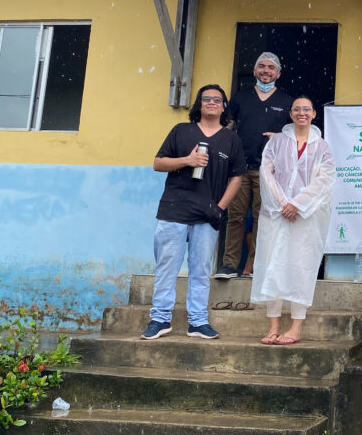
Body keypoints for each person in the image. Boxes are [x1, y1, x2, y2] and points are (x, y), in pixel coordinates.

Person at [142, 84, 245, 340]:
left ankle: (197, 321)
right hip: (174, 209)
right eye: (206, 98)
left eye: (217, 99)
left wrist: (220, 208)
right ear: (199, 103)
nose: (212, 102)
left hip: (208, 214)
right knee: (167, 267)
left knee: (200, 270)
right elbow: (158, 163)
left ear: (224, 107)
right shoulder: (181, 131)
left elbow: (237, 177)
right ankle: (160, 319)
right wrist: (187, 161)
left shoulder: (231, 139)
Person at [250, 96, 335, 345]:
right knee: (272, 265)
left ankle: (296, 327)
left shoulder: (323, 147)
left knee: (301, 267)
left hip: (306, 218)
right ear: (290, 114)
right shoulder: (276, 142)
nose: (302, 113)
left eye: (306, 109)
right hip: (276, 215)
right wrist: (282, 204)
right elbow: (266, 174)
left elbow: (325, 181)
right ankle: (273, 326)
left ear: (314, 114)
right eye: (297, 109)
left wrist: (297, 204)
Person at [214, 52, 292, 279]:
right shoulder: (241, 98)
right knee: (235, 216)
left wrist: (280, 137)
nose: (266, 71)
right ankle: (229, 265)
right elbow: (227, 127)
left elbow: (295, 135)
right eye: (262, 66)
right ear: (255, 71)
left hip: (269, 170)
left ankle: (257, 265)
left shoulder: (287, 101)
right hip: (238, 168)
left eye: (271, 67)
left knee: (263, 218)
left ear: (278, 74)